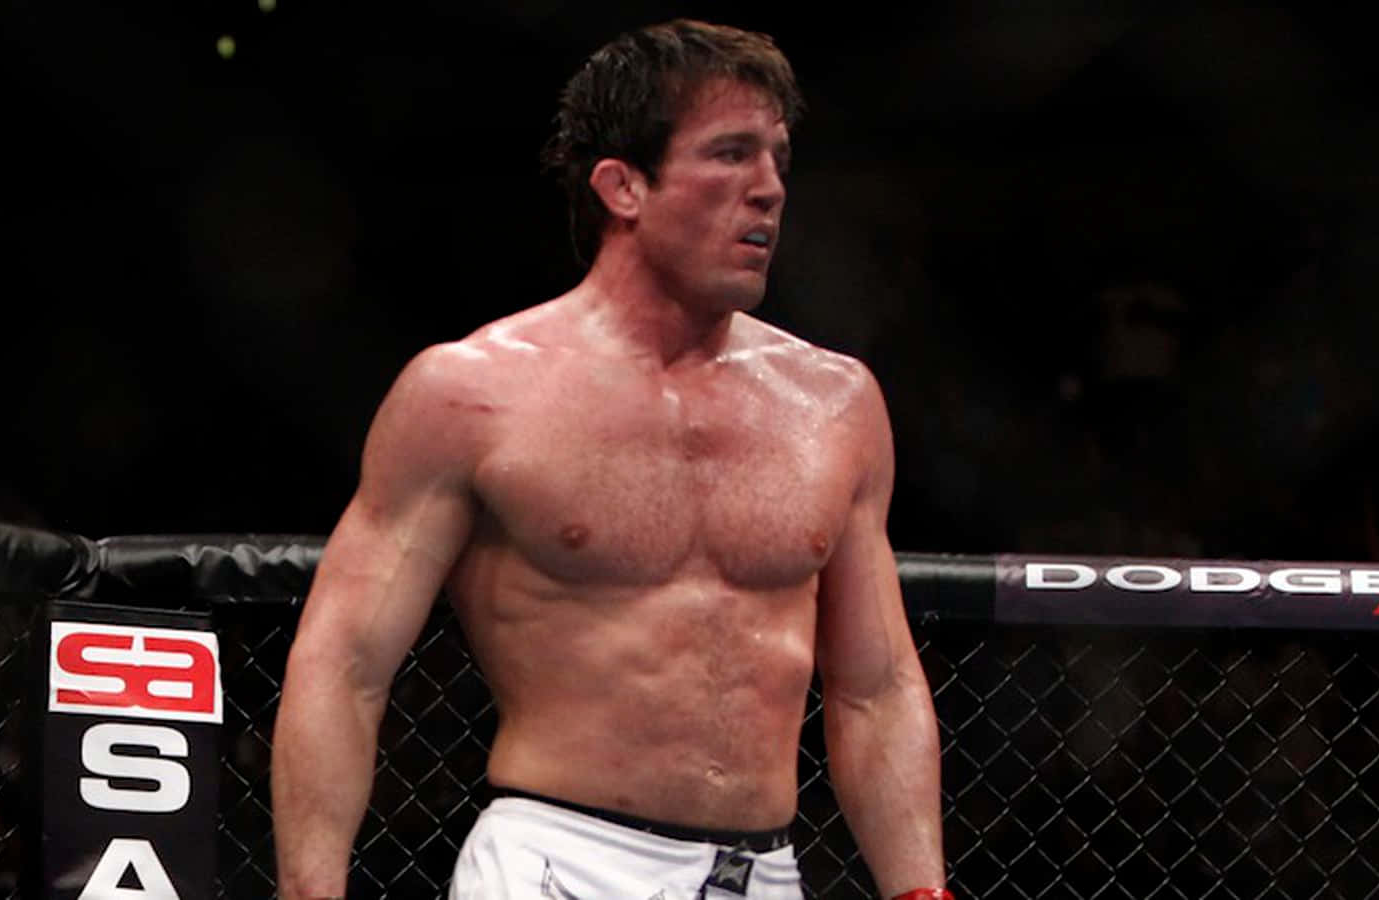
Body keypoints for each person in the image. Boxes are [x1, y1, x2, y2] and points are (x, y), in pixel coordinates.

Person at [272, 19, 950, 900]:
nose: (769, 189)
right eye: (731, 154)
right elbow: (345, 665)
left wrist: (922, 892)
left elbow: (876, 688)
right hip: (558, 863)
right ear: (623, 187)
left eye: (778, 158)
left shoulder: (834, 403)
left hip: (763, 874)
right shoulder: (473, 394)